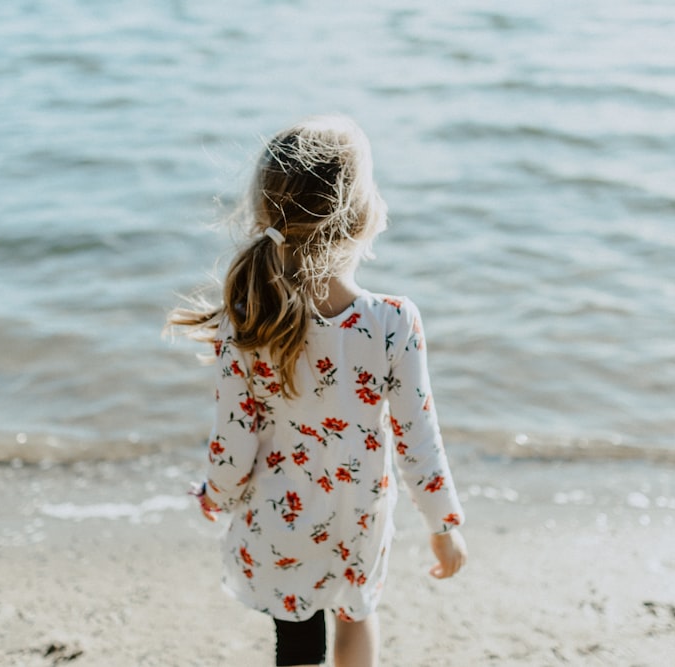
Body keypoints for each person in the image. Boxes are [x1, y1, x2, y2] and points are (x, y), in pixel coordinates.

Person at [170, 114, 467, 667]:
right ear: (362, 216)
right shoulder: (392, 321)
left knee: (297, 635)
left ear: (263, 213)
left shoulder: (248, 317)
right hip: (359, 513)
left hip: (282, 513)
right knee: (356, 614)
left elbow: (234, 435)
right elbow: (417, 437)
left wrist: (216, 492)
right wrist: (442, 523)